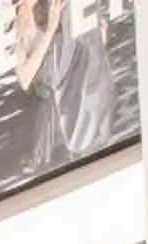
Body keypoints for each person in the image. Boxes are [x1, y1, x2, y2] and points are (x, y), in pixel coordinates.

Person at [14, 0, 120, 177]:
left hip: (70, 77)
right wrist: (50, 30)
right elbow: (25, 79)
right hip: (53, 85)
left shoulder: (46, 12)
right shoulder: (19, 30)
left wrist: (98, 40)